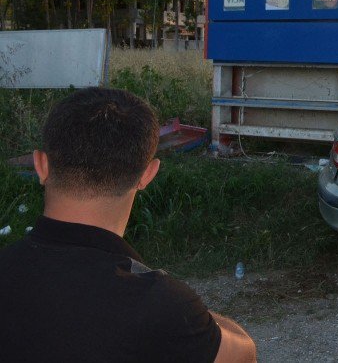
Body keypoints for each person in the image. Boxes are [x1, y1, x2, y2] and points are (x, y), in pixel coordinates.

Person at [0, 88, 257, 363]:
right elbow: (244, 353)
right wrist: (188, 313)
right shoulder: (161, 305)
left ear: (41, 165)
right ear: (147, 175)